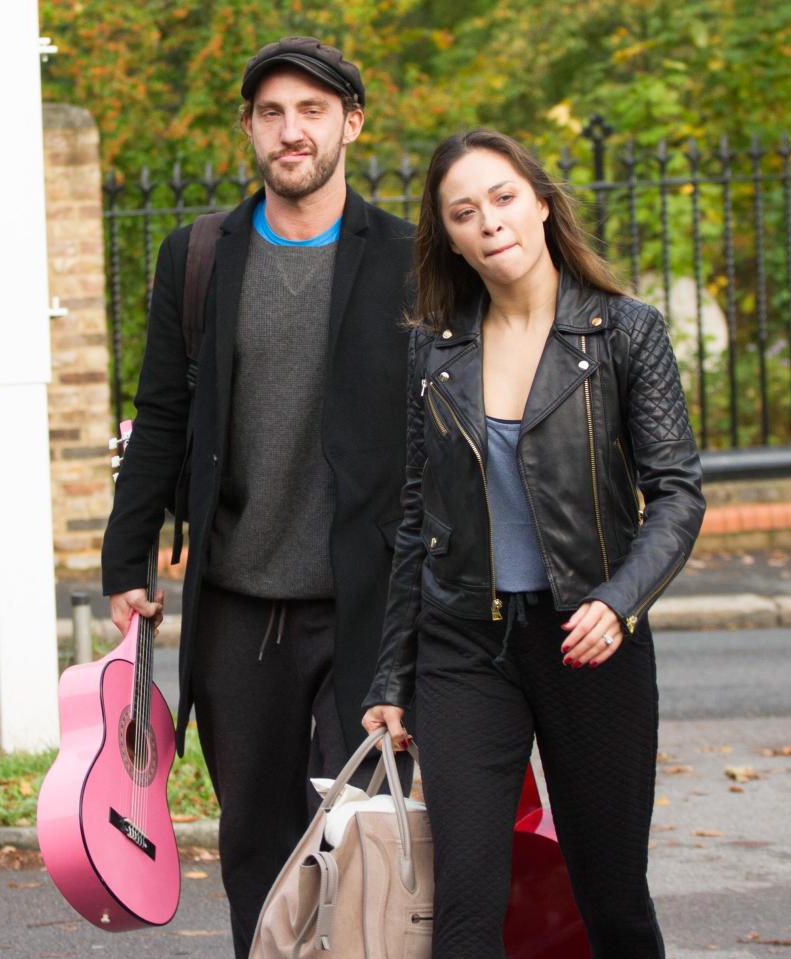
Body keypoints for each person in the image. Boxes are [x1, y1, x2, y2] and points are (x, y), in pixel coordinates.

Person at [101, 37, 415, 958]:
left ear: (350, 125)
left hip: (363, 601)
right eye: (272, 113)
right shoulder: (199, 255)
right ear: (249, 128)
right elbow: (161, 414)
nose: (291, 131)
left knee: (360, 834)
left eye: (312, 112)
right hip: (236, 605)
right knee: (254, 842)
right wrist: (126, 558)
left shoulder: (406, 255)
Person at [362, 129, 706, 959]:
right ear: (447, 235)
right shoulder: (433, 349)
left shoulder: (622, 331)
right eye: (464, 211)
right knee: (466, 912)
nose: (489, 222)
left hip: (588, 645)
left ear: (542, 202)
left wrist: (617, 602)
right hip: (462, 646)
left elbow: (676, 495)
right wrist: (390, 674)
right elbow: (417, 515)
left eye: (503, 197)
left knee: (610, 896)